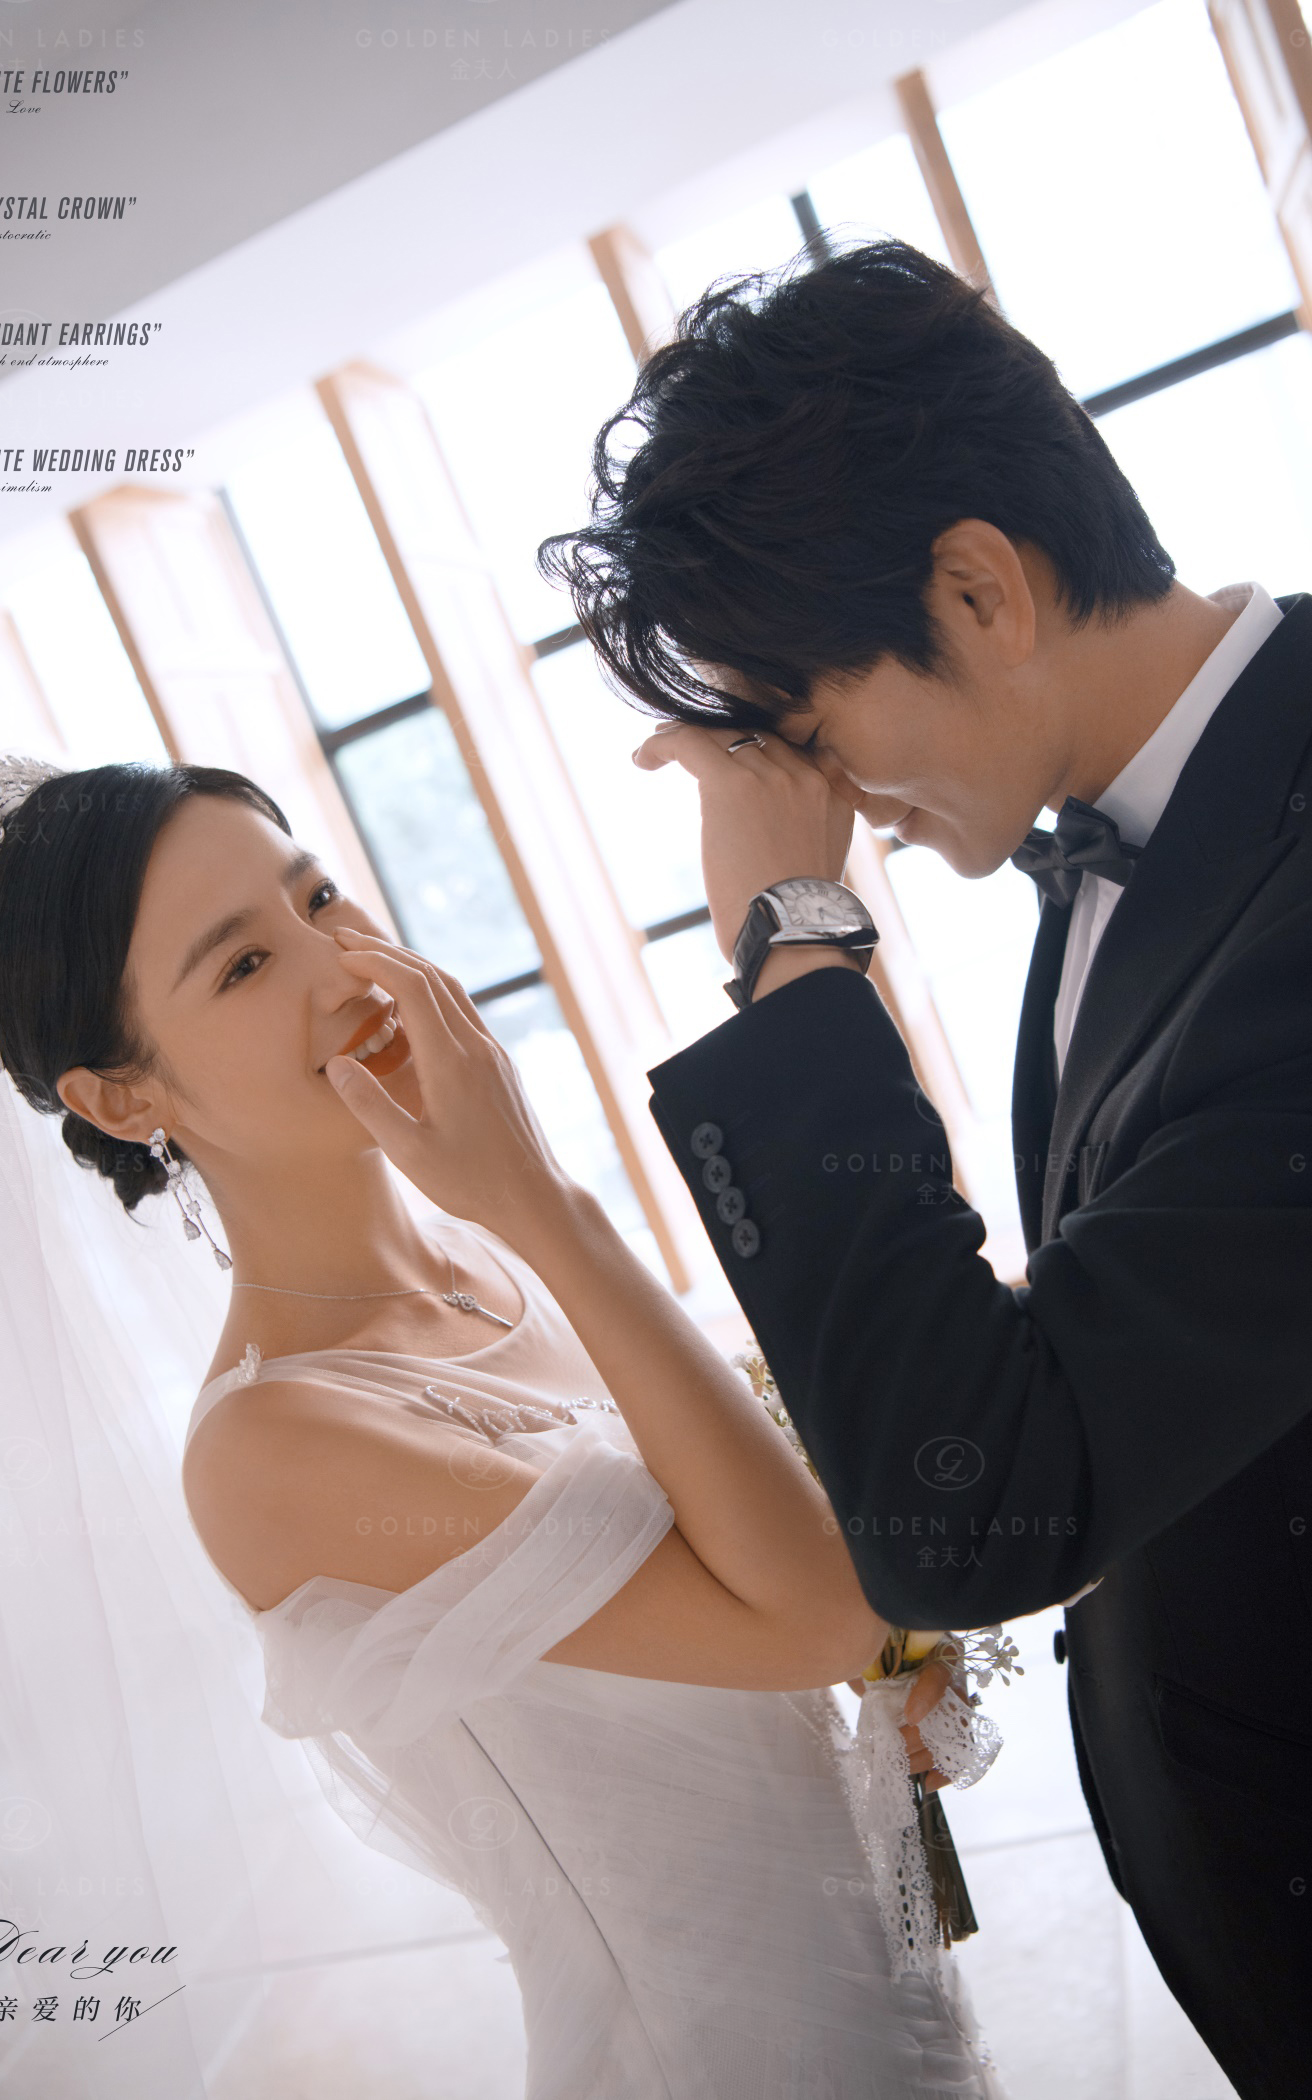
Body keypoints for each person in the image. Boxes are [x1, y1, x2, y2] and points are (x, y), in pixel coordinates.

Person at [537, 236, 1312, 2100]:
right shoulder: (1135, 841)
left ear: (977, 588)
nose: (820, 797)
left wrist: (793, 944)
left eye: (807, 728)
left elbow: (983, 1517)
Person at [0, 750, 1009, 2099]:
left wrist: (903, 1657)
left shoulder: (487, 1259)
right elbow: (817, 1619)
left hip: (875, 1983)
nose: (345, 971)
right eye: (244, 966)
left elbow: (771, 1580)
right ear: (121, 1097)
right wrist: (542, 1195)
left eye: (317, 898)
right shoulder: (272, 1448)